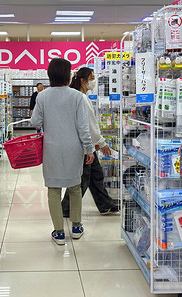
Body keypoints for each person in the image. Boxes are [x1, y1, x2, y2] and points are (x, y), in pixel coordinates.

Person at [31, 58, 95, 245]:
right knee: (75, 187)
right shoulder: (76, 96)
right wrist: (89, 149)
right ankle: (76, 227)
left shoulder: (42, 96)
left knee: (54, 188)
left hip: (51, 148)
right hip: (74, 148)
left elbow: (35, 122)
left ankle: (58, 232)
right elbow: (83, 127)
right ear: (68, 75)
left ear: (50, 74)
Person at [61, 67, 120, 217]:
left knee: (96, 174)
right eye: (92, 78)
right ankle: (66, 208)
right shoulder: (81, 98)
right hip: (82, 145)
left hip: (83, 143)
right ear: (83, 80)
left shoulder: (77, 96)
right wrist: (102, 142)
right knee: (84, 178)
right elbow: (89, 124)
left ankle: (106, 205)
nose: (94, 81)